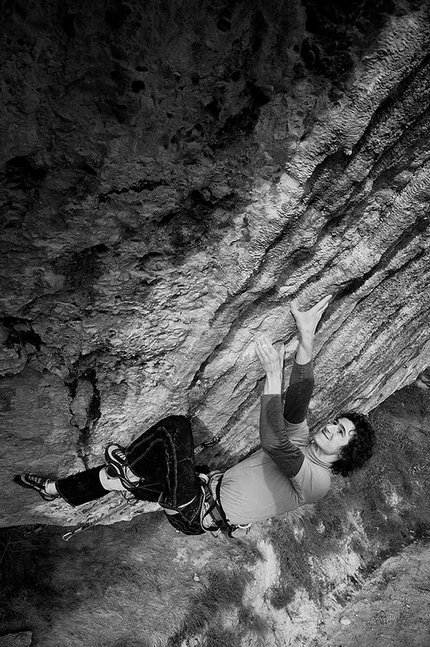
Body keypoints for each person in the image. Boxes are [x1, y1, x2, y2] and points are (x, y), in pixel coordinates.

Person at [14, 294, 375, 537]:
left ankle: (131, 475)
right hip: (200, 485)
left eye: (341, 433)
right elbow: (300, 397)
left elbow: (275, 445)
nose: (331, 427)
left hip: (196, 509)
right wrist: (307, 336)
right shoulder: (303, 440)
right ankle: (57, 490)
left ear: (345, 454)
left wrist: (273, 375)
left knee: (175, 430)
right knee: (120, 476)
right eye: (337, 422)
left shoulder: (317, 481)